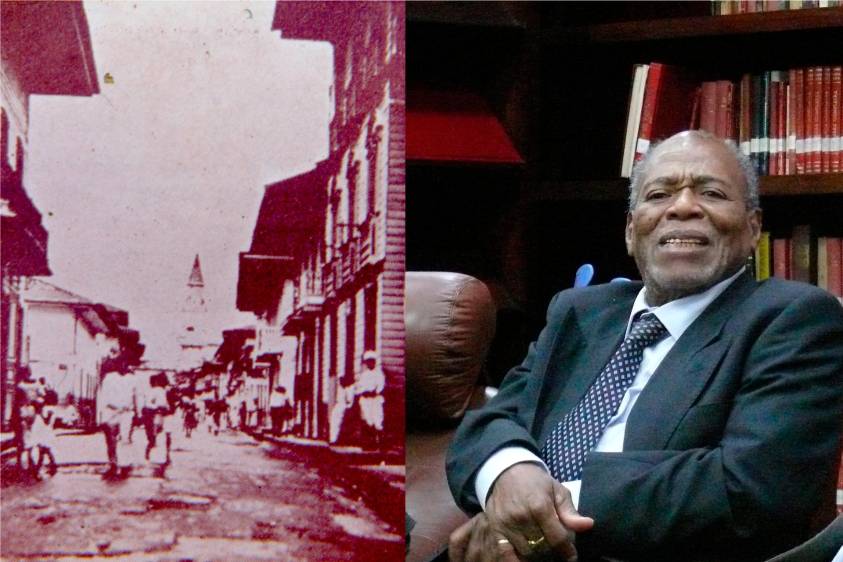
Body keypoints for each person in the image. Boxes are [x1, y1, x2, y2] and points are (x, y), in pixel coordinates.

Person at [446, 131, 843, 562]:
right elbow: (492, 423)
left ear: (752, 229)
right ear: (632, 231)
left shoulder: (793, 319)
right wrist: (507, 473)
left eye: (711, 192)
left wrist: (538, 509)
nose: (684, 206)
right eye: (659, 193)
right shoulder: (581, 312)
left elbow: (751, 486)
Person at [98, 354, 137, 479]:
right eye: (120, 363)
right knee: (110, 440)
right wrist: (103, 415)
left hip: (126, 412)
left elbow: (136, 397)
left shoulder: (132, 378)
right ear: (116, 365)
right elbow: (103, 396)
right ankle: (113, 464)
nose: (123, 366)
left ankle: (124, 465)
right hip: (111, 411)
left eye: (125, 363)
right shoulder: (109, 378)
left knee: (125, 439)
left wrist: (137, 413)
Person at [354, 351, 386, 449]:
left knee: (378, 421)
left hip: (375, 400)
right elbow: (359, 387)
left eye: (372, 361)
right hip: (366, 400)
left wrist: (374, 391)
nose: (370, 363)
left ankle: (380, 444)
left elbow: (381, 386)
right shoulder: (364, 375)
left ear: (375, 362)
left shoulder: (379, 374)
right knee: (368, 421)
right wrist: (362, 392)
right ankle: (369, 444)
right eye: (368, 361)